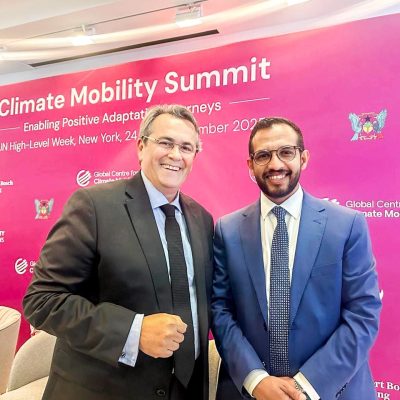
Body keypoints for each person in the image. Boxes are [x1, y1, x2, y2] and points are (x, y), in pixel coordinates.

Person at [23, 104, 214, 400]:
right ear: (141, 147)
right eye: (165, 143)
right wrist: (132, 332)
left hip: (185, 389)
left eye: (186, 147)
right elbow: (42, 300)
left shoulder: (202, 219)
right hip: (105, 391)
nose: (176, 155)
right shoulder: (93, 206)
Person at [211, 117, 381, 400]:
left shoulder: (347, 225)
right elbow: (221, 310)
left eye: (286, 152)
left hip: (333, 390)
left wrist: (305, 387)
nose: (275, 164)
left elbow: (363, 313)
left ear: (303, 158)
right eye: (263, 155)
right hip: (252, 392)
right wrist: (256, 380)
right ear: (250, 165)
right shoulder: (227, 231)